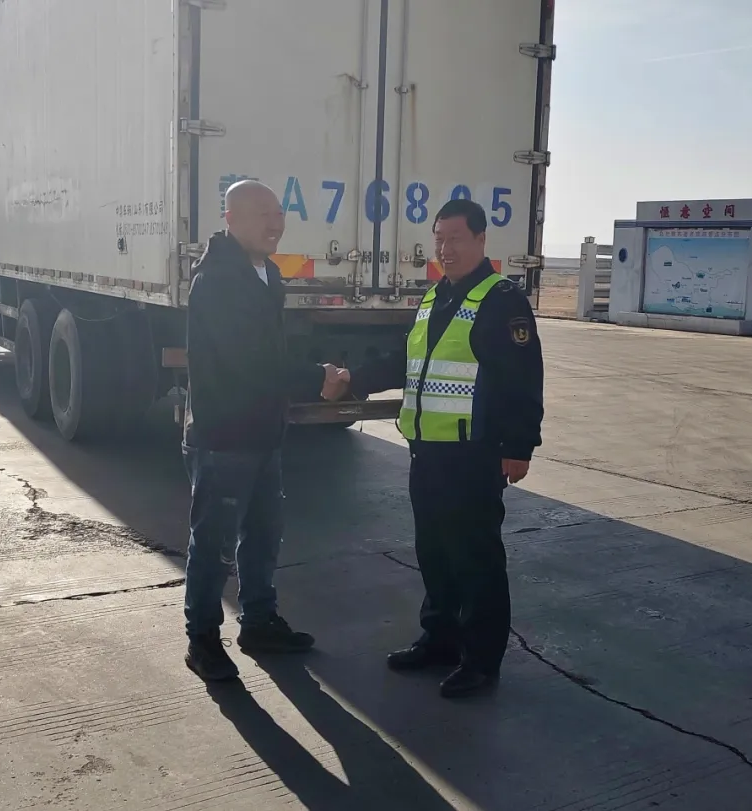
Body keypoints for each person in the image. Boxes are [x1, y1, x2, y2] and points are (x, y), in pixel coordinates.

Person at [347, 198, 544, 698]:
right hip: (427, 451)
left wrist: (519, 445)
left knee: (475, 557)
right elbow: (407, 361)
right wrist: (354, 379)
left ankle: (480, 660)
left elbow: (523, 379)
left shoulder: (501, 300)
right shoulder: (436, 296)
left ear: (480, 240)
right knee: (434, 551)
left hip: (473, 454)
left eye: (455, 238)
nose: (445, 248)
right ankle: (439, 639)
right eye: (438, 239)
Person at [182, 180, 349, 682]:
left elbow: (270, 351)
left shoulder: (266, 274)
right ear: (231, 218)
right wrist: (316, 378)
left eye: (278, 213)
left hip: (263, 432)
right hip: (224, 437)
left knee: (262, 536)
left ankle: (258, 622)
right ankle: (201, 640)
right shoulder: (218, 280)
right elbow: (247, 361)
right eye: (262, 214)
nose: (275, 223)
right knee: (213, 544)